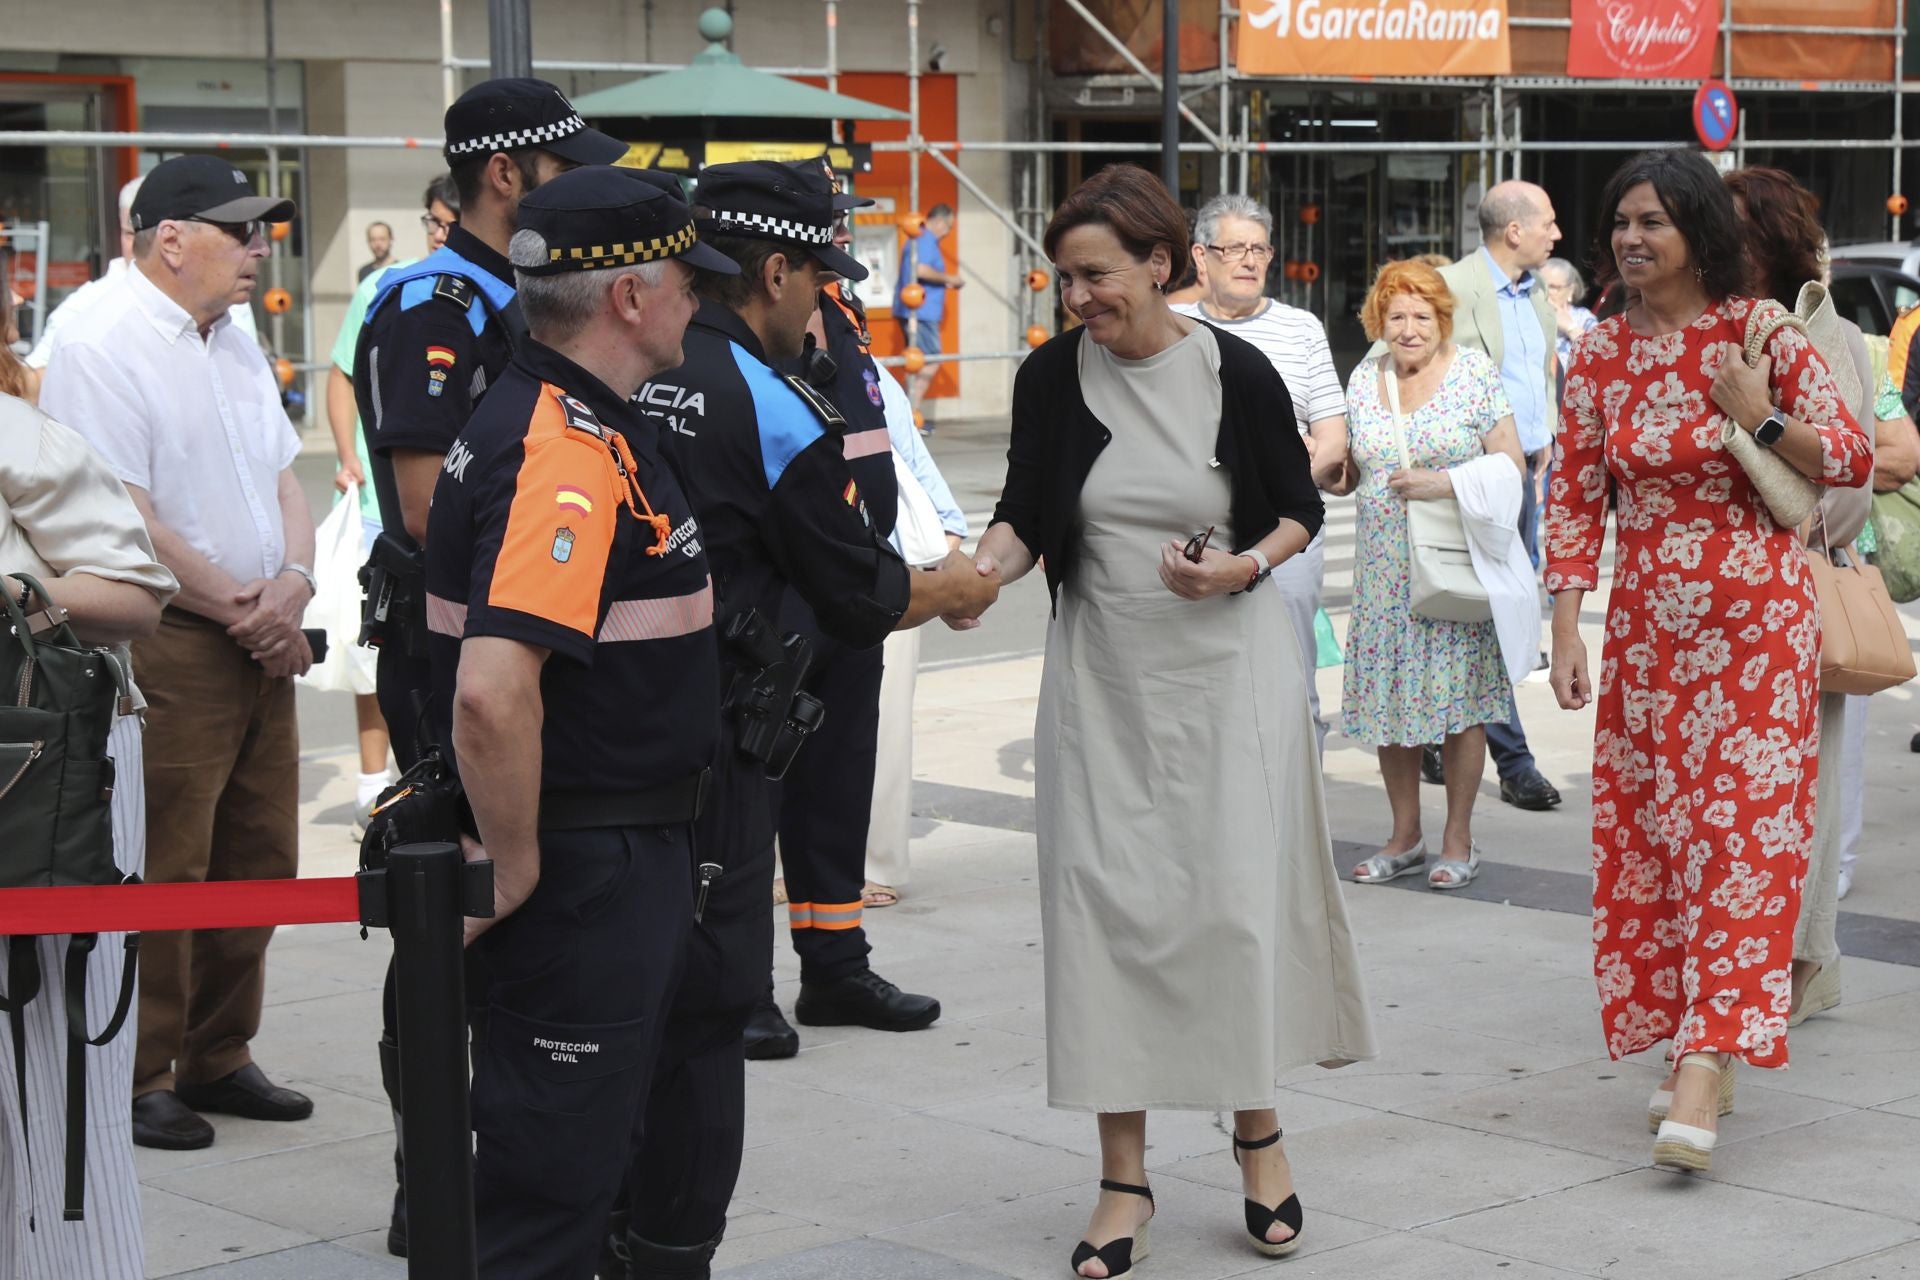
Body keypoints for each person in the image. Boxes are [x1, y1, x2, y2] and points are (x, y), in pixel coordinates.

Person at [970, 163, 1375, 1276]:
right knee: (1104, 911)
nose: (1078, 296)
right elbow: (1019, 515)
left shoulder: (1234, 371)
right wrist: (971, 576)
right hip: (1102, 674)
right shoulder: (1052, 377)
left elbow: (1297, 508)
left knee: (1229, 908)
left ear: (1159, 265)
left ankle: (1258, 1134)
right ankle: (1121, 1176)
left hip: (1227, 669)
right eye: (1064, 279)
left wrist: (1241, 564)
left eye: (1094, 274)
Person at [616, 159, 1000, 1277]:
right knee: (704, 1012)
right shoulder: (766, 394)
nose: (823, 297)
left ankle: (610, 1217)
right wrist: (957, 583)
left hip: (624, 724)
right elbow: (858, 586)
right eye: (815, 274)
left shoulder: (630, 365)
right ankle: (667, 1241)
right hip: (726, 721)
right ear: (773, 269)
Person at [423, 164, 736, 1279]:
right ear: (629, 298)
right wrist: (511, 866)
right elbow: (491, 689)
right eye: (690, 282)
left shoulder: (565, 414)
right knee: (548, 1194)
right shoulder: (563, 446)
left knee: (587, 1158)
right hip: (585, 859)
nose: (702, 300)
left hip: (622, 849)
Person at [1545, 149, 1871, 1173]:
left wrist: (1757, 412)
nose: (1632, 240)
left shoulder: (1756, 329)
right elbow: (1571, 496)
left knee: (1740, 839)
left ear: (1696, 231)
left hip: (1759, 628)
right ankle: (1706, 1037)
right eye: (1620, 224)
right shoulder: (1596, 351)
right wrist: (1565, 625)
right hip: (1646, 631)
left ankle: (1701, 1064)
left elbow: (1853, 454)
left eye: (1653, 222)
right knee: (1662, 838)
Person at [352, 76, 621, 1258]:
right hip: (452, 652)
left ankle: (526, 1160)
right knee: (447, 907)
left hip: (525, 649)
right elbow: (425, 510)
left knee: (529, 917)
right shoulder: (438, 300)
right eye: (565, 168)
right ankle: (433, 1174)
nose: (580, 186)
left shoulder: (518, 292)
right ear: (507, 175)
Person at [37, 154, 319, 1152]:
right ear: (169, 239)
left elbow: (287, 478)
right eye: (238, 230)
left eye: (259, 230)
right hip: (172, 637)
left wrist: (293, 582)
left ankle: (217, 1049)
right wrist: (247, 607)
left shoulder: (232, 333)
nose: (256, 249)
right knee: (165, 859)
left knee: (260, 854)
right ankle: (144, 1066)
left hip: (258, 628)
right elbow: (125, 516)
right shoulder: (98, 338)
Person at [746, 159, 926, 1060]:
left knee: (837, 787)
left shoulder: (841, 318)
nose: (838, 259)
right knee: (750, 803)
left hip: (850, 587)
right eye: (823, 246)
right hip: (774, 600)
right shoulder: (731, 349)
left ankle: (835, 964)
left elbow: (876, 442)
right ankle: (744, 987)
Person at [0, 393, 176, 1279]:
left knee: (61, 1074)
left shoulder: (13, 430)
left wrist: (9, 601)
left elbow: (137, 596)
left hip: (44, 779)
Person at [1723, 167, 1876, 1030]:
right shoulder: (1695, 332)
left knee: (1801, 795)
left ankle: (1803, 960)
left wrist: (1757, 425)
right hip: (1712, 610)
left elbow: (1847, 489)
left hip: (1798, 595)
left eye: (1734, 231)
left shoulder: (1832, 336)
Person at [1343, 260, 1527, 891]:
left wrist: (1444, 481)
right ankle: (1404, 836)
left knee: (1460, 707)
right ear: (1379, 321)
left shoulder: (1473, 374)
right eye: (1397, 315)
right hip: (1382, 575)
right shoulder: (1365, 377)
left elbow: (1512, 467)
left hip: (1449, 569)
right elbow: (1352, 468)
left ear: (1442, 320)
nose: (1410, 328)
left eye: (1423, 315)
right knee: (1391, 704)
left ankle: (1458, 838)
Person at [1173, 193, 1348, 751]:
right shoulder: (1171, 327)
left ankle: (1294, 826)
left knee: (1291, 682)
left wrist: (1276, 483)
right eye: (1234, 249)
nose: (1248, 261)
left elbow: (1334, 442)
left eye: (1259, 249)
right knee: (1197, 686)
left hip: (1284, 532)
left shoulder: (1302, 329)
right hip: (1192, 532)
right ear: (1201, 256)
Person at [1419, 182, 1564, 811]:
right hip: (1469, 484)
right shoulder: (1449, 287)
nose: (1555, 235)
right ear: (1514, 231)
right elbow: (1386, 363)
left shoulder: (1535, 294)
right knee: (1492, 620)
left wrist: (1547, 434)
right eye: (1548, 223)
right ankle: (1514, 762)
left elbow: (1540, 371)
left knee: (1487, 614)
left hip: (1522, 478)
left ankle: (1434, 731)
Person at [325, 173, 459, 835]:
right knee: (379, 645)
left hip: (453, 521)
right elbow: (342, 374)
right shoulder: (390, 290)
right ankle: (376, 780)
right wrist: (349, 457)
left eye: (447, 221)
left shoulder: (485, 298)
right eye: (432, 220)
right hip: (387, 506)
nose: (439, 233)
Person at [865, 329, 969, 906]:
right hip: (791, 568)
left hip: (884, 567)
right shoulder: (746, 367)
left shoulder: (869, 375)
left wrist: (946, 557)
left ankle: (875, 860)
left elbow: (913, 462)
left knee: (881, 723)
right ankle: (783, 859)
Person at [26, 175, 259, 372]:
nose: (141, 245)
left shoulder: (229, 297)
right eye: (131, 234)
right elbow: (37, 380)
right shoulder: (84, 307)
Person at [893, 201, 960, 423]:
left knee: (921, 361)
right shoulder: (925, 239)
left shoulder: (921, 239)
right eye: (949, 227)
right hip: (920, 312)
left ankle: (907, 414)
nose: (948, 232)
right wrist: (949, 278)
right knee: (928, 361)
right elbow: (919, 268)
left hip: (920, 310)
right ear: (939, 221)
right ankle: (906, 415)